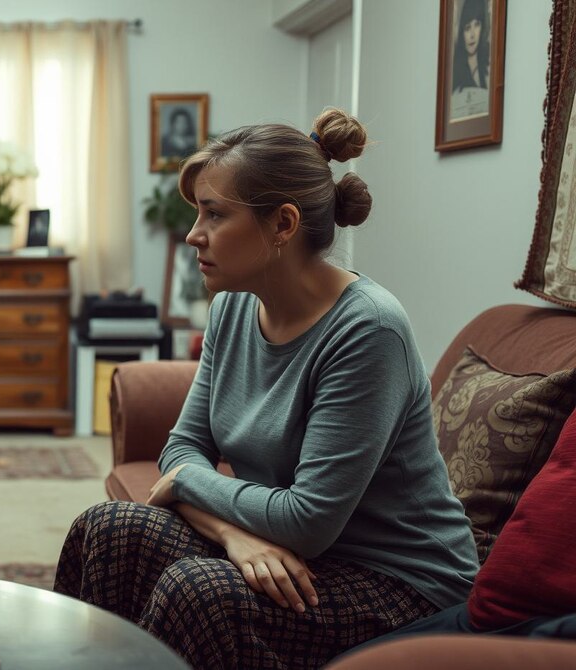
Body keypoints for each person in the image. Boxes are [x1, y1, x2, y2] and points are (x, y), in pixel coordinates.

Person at [54, 108, 479, 668]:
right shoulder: (232, 307)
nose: (193, 234)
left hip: (402, 582)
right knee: (107, 528)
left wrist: (188, 484)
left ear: (282, 224)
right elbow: (181, 452)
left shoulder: (368, 330)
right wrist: (232, 534)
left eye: (214, 214)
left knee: (198, 592)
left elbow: (306, 520)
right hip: (289, 546)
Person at [451, 0, 490, 93]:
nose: (472, 35)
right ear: (462, 33)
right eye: (467, 28)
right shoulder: (455, 69)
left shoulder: (489, 62)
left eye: (477, 25)